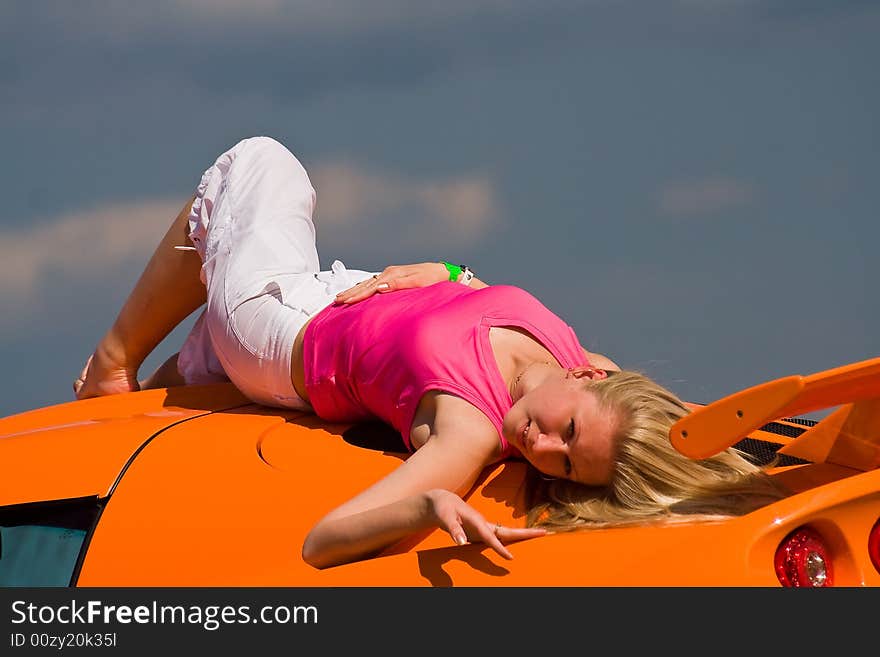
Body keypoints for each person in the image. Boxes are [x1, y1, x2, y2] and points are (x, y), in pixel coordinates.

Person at [74, 136, 788, 569]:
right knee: (188, 366)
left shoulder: (470, 429)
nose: (541, 446)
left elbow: (322, 540)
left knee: (261, 162)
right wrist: (449, 273)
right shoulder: (571, 347)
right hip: (352, 293)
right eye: (567, 431)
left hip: (285, 333)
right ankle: (171, 381)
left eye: (564, 466)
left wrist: (427, 505)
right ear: (593, 375)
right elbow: (689, 427)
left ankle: (111, 361)